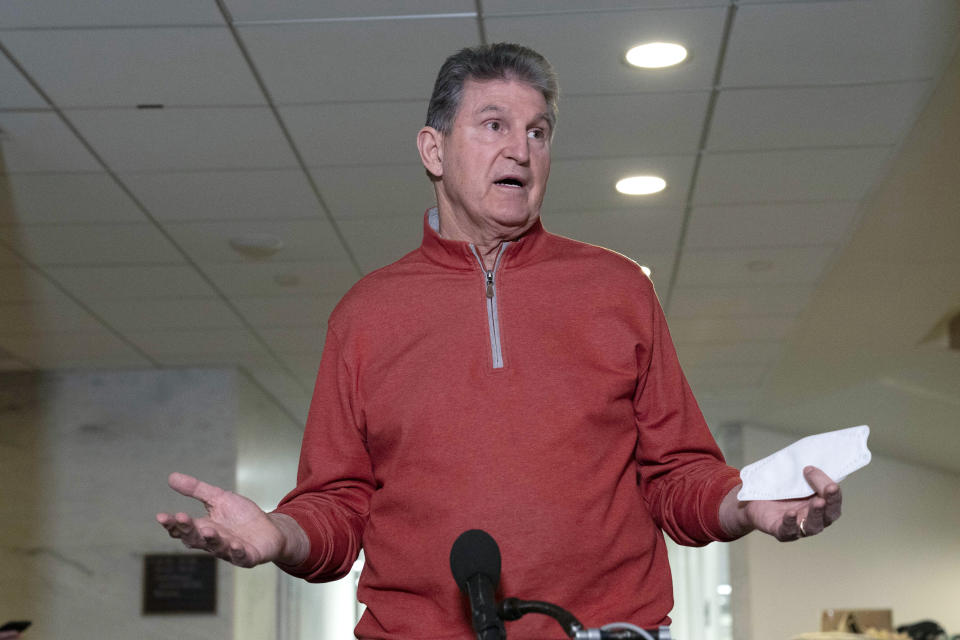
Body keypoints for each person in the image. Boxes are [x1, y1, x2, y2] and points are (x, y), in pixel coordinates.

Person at [157, 43, 843, 639]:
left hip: (609, 631)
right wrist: (280, 535)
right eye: (494, 126)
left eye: (539, 132)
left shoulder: (617, 290)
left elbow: (677, 475)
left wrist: (745, 503)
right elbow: (337, 507)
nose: (522, 149)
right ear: (433, 149)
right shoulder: (365, 315)